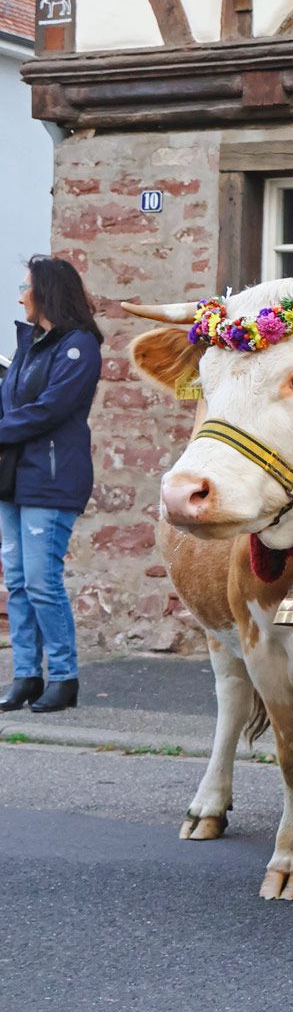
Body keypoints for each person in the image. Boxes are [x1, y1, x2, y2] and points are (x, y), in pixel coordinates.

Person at [0, 256, 103, 715]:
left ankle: (63, 677)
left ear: (46, 293)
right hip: (14, 479)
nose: (19, 296)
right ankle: (26, 675)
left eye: (25, 287)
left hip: (53, 479)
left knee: (43, 583)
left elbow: (51, 408)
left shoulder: (78, 346)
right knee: (18, 583)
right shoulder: (29, 344)